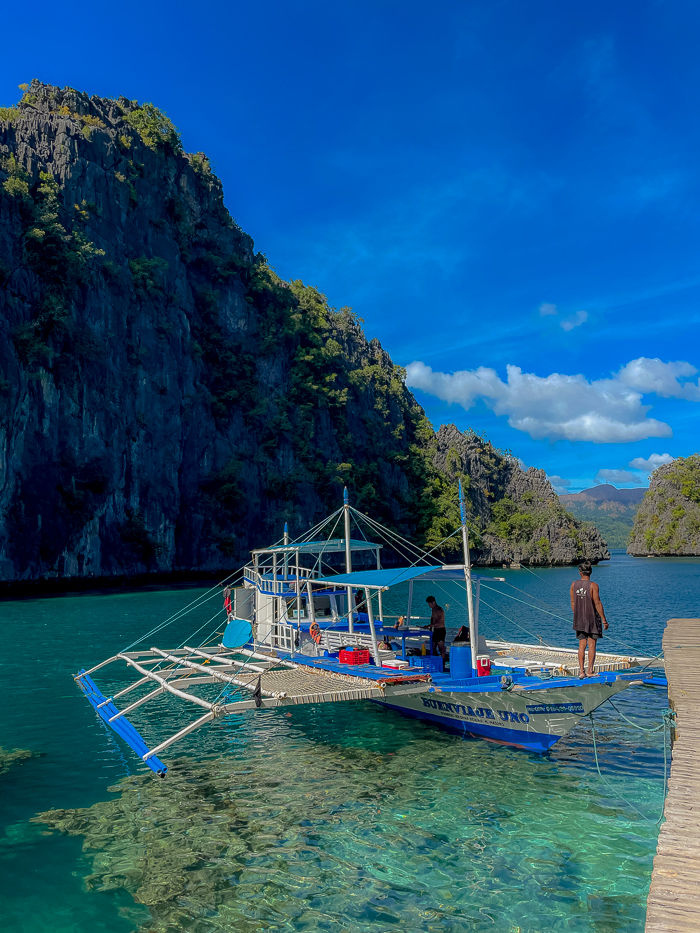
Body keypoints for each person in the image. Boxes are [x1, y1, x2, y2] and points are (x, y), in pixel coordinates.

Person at [570, 560, 609, 678]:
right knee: (592, 644)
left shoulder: (573, 585)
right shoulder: (593, 586)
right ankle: (590, 671)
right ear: (590, 572)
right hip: (592, 618)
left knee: (582, 644)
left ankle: (581, 671)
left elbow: (572, 602)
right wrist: (604, 620)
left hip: (579, 618)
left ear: (580, 572)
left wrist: (577, 614)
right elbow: (597, 603)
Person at [425, 596, 446, 662]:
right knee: (433, 647)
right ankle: (436, 661)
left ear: (433, 602)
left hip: (440, 630)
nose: (429, 606)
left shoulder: (439, 610)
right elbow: (433, 619)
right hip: (435, 630)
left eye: (430, 604)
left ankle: (442, 663)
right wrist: (430, 628)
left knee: (441, 648)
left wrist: (428, 626)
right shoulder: (433, 610)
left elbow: (439, 623)